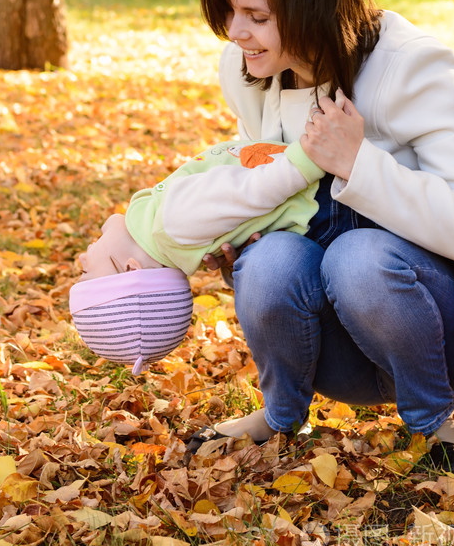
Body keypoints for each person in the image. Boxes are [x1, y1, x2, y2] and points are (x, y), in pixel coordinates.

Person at [190, 0, 454, 474]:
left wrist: (358, 165)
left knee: (357, 255)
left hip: (430, 333)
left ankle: (438, 421)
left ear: (311, 13)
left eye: (255, 16)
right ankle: (280, 413)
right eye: (229, 11)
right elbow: (261, 174)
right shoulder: (248, 68)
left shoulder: (413, 66)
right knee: (267, 261)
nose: (235, 31)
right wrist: (235, 237)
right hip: (329, 349)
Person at [69, 135, 325, 375]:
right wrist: (310, 155)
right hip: (323, 195)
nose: (81, 259)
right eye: (85, 271)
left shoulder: (176, 240)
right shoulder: (173, 224)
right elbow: (253, 188)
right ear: (130, 270)